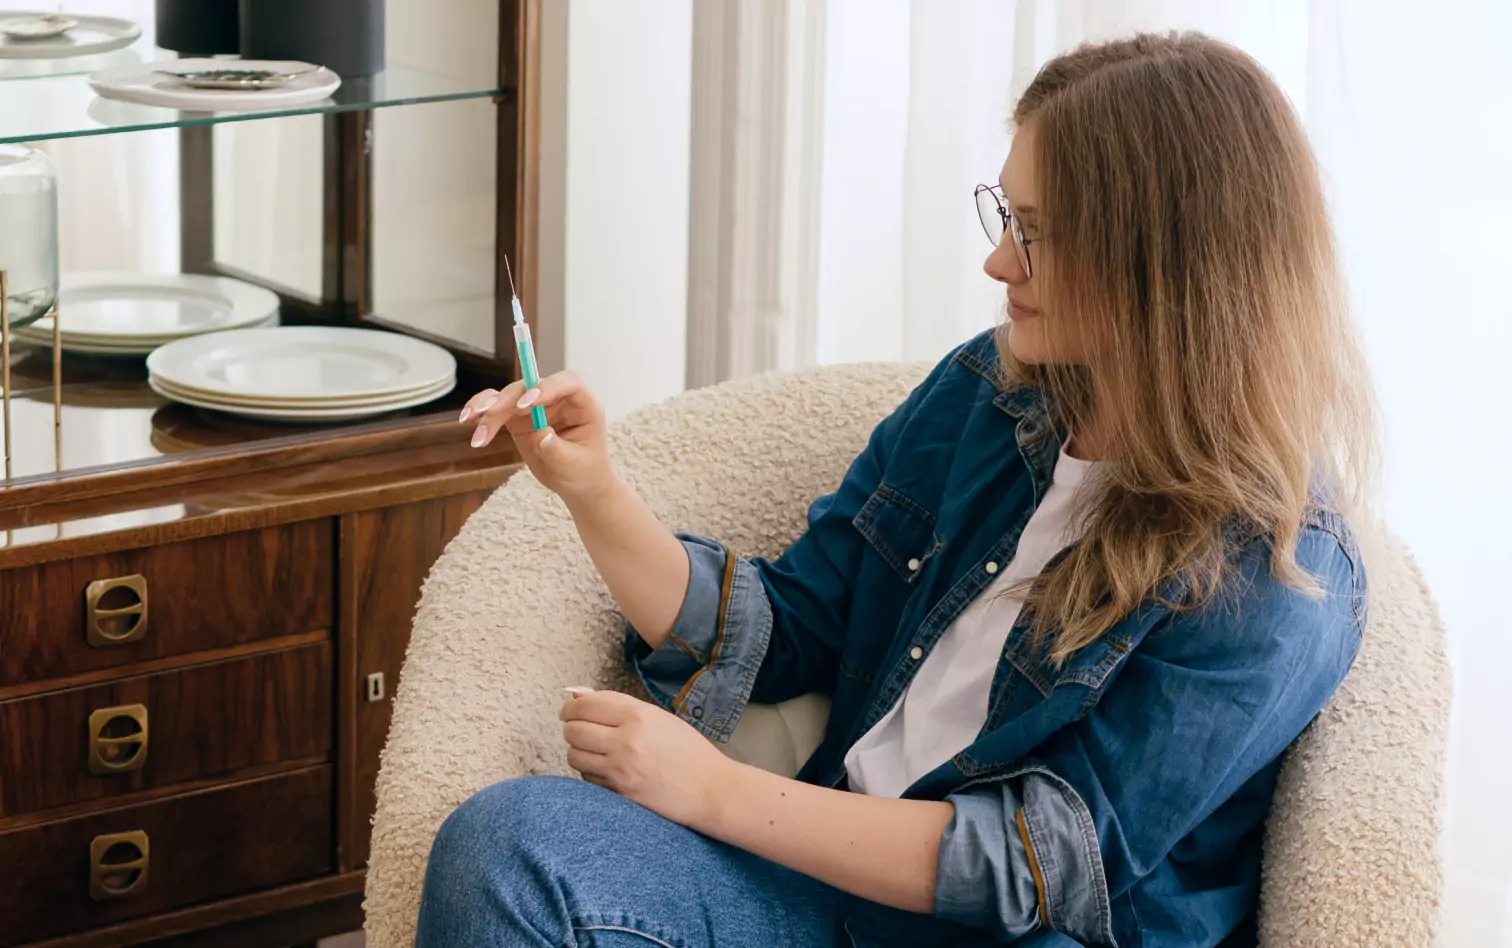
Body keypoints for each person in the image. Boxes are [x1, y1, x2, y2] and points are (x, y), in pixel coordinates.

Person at [418, 30, 1376, 948]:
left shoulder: (1281, 570)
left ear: (1163, 265)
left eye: (1035, 235)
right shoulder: (988, 397)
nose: (999, 263)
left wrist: (709, 790)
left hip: (989, 939)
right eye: (1004, 217)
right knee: (508, 846)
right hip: (824, 891)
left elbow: (1030, 867)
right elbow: (789, 627)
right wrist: (593, 489)